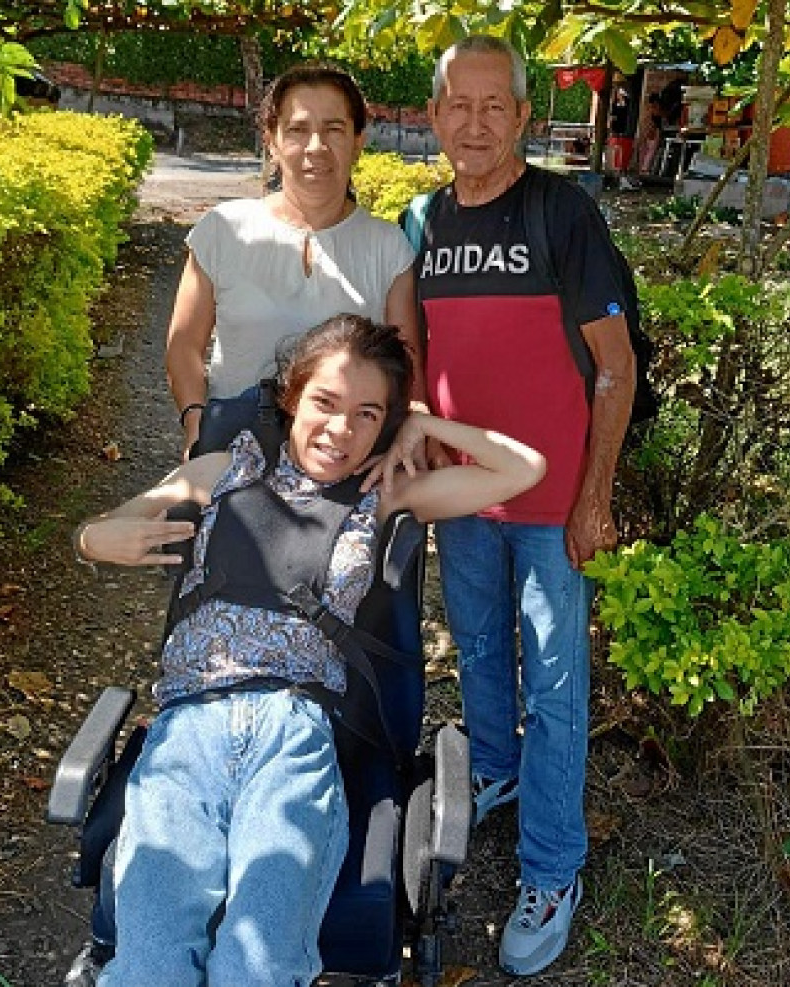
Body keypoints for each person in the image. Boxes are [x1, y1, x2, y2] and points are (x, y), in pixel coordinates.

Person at [74, 314, 547, 987]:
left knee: (254, 965)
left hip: (293, 734)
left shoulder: (383, 493)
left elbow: (525, 467)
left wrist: (421, 422)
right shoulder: (223, 469)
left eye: (366, 414)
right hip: (188, 730)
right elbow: (119, 520)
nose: (340, 430)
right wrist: (94, 539)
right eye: (325, 402)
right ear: (292, 396)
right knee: (149, 965)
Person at [407, 34, 636, 978]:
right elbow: (415, 345)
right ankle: (494, 774)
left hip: (550, 507)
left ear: (523, 117)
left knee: (554, 687)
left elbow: (615, 367)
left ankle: (550, 868)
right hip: (466, 498)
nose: (474, 123)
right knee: (477, 648)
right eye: (457, 105)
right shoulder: (421, 220)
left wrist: (594, 499)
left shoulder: (560, 211)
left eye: (493, 105)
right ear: (433, 115)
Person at [165, 64, 424, 458]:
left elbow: (407, 371)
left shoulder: (388, 247)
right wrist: (196, 423)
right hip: (230, 451)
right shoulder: (223, 230)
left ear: (358, 141)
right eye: (298, 129)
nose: (316, 146)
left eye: (334, 129)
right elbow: (184, 344)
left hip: (342, 461)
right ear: (271, 140)